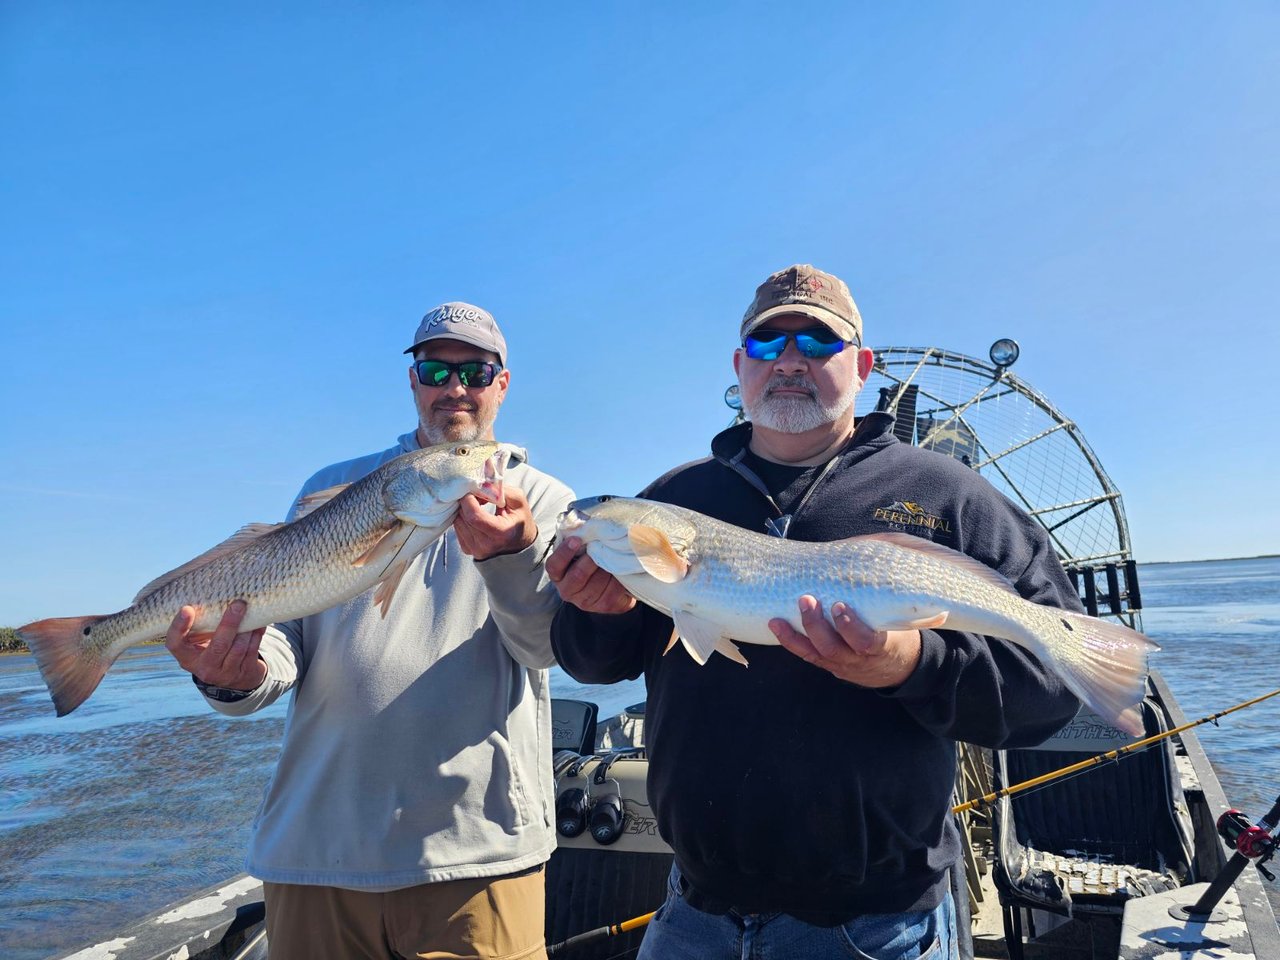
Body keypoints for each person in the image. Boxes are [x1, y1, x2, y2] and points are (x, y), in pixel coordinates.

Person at [546, 265, 1084, 960]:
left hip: (877, 925)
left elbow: (1053, 692)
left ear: (861, 367)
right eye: (768, 345)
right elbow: (591, 661)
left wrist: (911, 664)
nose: (790, 361)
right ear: (740, 367)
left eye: (818, 343)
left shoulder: (948, 497)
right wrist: (602, 610)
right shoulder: (674, 499)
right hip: (692, 913)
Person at [164, 302, 574, 960]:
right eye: (436, 369)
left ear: (502, 383)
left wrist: (509, 556)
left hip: (477, 855)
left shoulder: (544, 499)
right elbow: (282, 642)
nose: (455, 387)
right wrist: (235, 676)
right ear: (413, 381)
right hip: (317, 853)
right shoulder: (331, 489)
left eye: (475, 370)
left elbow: (545, 646)